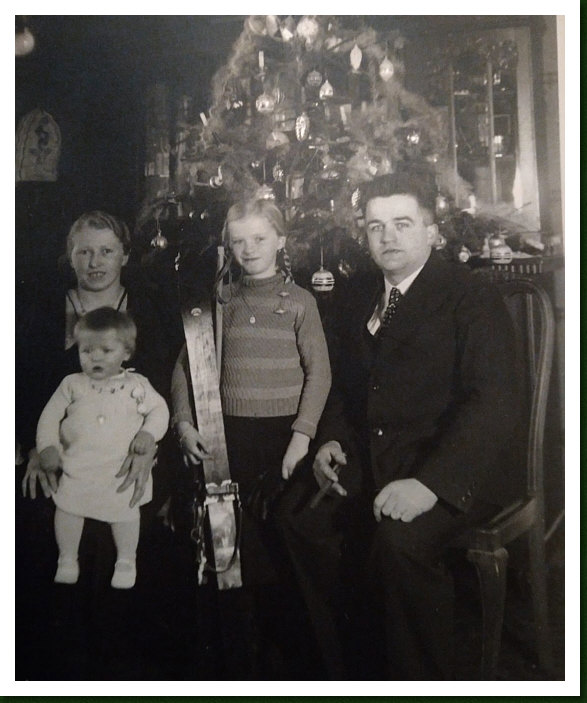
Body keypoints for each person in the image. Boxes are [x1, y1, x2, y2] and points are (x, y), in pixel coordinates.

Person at [279, 171, 521, 680]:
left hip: (455, 467)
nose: (387, 237)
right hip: (375, 454)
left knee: (399, 543)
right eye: (376, 227)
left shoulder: (470, 296)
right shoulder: (357, 295)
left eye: (402, 224)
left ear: (432, 231)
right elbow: (344, 387)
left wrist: (430, 485)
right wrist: (330, 441)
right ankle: (347, 671)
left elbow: (492, 404)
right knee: (299, 518)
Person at [15, 209, 183, 679]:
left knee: (129, 546)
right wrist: (31, 447)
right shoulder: (39, 311)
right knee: (43, 533)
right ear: (69, 257)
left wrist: (151, 448)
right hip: (58, 458)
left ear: (125, 255)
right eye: (84, 252)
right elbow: (22, 387)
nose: (95, 262)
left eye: (106, 251)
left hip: (133, 458)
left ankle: (119, 669)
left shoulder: (150, 310)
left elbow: (166, 392)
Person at [171, 198, 332, 678]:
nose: (249, 249)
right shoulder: (220, 302)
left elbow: (320, 375)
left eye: (260, 238)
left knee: (280, 554)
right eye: (238, 241)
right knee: (232, 553)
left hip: (284, 443)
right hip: (229, 441)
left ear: (281, 240)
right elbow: (185, 367)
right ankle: (239, 664)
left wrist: (302, 437)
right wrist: (184, 423)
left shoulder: (300, 302)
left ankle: (289, 665)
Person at [36, 308, 170, 589]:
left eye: (106, 351)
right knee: (68, 507)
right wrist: (47, 447)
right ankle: (67, 558)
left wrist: (148, 433)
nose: (95, 357)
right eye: (86, 351)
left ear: (126, 353)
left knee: (126, 512)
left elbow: (160, 411)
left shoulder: (137, 385)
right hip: (78, 466)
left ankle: (126, 560)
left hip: (118, 470)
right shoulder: (72, 384)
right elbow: (49, 417)